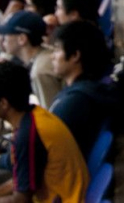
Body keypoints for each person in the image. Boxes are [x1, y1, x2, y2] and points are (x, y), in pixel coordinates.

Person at [0, 61, 88, 203]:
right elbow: (22, 181)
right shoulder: (35, 116)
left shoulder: (28, 135)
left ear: (3, 103)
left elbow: (21, 200)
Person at [47, 21, 115, 157]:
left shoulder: (74, 102)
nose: (52, 56)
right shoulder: (89, 89)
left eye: (57, 49)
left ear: (75, 56)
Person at [0, 11, 61, 108]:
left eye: (7, 34)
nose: (2, 39)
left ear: (22, 39)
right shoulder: (44, 55)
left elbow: (52, 114)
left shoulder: (40, 71)